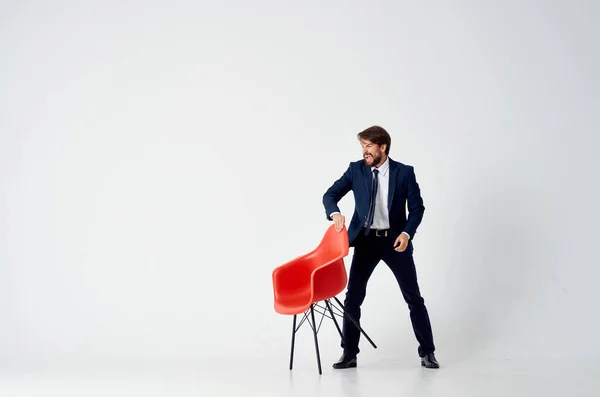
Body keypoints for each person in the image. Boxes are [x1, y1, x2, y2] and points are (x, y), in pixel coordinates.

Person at [322, 125, 439, 369]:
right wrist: (335, 213)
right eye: (362, 146)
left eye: (368, 146)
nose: (364, 151)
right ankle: (349, 353)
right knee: (353, 297)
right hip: (365, 241)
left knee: (414, 298)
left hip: (395, 241)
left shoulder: (404, 173)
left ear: (382, 147)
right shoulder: (356, 170)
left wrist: (407, 233)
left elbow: (417, 208)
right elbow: (329, 195)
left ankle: (427, 352)